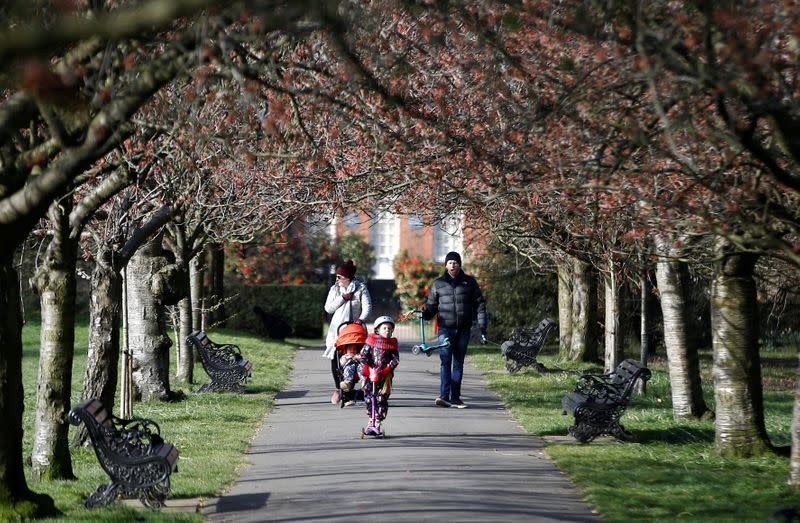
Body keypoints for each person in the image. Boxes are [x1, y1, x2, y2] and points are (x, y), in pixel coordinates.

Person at [422, 251, 487, 409]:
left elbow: (480, 305)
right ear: (446, 265)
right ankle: (444, 396)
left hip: (464, 330)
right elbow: (431, 307)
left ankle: (456, 398)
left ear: (459, 264)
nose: (453, 264)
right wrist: (425, 314)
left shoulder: (469, 282)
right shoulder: (438, 284)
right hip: (445, 329)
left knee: (458, 363)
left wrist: (482, 326)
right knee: (445, 362)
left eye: (455, 262)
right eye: (450, 262)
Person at [324, 260, 372, 405]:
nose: (337, 280)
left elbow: (367, 307)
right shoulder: (335, 290)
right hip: (338, 330)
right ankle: (339, 389)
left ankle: (351, 391)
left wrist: (361, 319)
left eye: (340, 277)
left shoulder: (361, 288)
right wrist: (343, 298)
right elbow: (328, 308)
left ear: (348, 277)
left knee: (356, 358)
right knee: (336, 358)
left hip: (355, 330)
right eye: (336, 276)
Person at [359, 316, 400, 425]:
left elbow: (395, 360)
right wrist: (368, 366)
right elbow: (363, 356)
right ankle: (371, 416)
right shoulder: (370, 342)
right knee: (369, 397)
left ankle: (378, 418)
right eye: (385, 328)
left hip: (385, 375)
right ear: (377, 329)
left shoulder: (392, 344)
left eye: (390, 329)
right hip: (370, 373)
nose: (387, 330)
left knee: (382, 398)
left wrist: (387, 369)